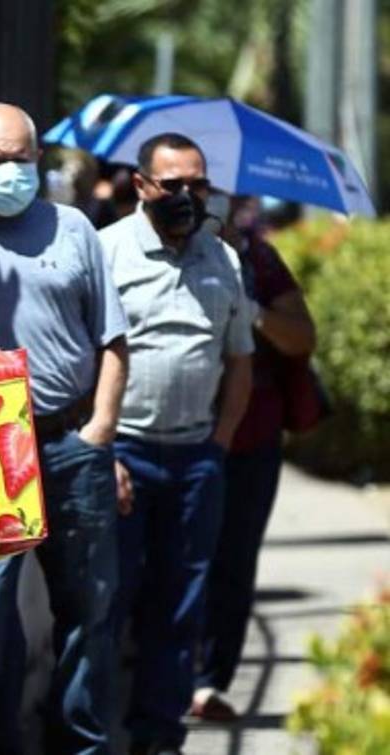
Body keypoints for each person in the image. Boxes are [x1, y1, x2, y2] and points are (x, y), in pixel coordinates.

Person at [0, 102, 130, 755]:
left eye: (22, 158)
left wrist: (101, 431)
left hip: (69, 441)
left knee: (90, 609)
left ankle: (79, 743)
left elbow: (113, 341)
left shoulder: (75, 228)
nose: (12, 172)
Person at [98, 133, 254, 755]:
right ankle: (92, 732)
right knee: (107, 605)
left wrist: (218, 446)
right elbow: (89, 359)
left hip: (195, 460)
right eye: (173, 184)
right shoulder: (105, 252)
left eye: (198, 184)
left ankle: (158, 738)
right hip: (123, 456)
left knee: (178, 607)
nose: (187, 196)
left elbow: (239, 361)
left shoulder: (224, 260)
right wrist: (102, 449)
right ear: (141, 186)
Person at [192, 194, 316, 720]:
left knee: (234, 561)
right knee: (175, 560)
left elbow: (302, 338)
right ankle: (167, 672)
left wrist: (252, 307)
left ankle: (210, 680)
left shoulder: (260, 260)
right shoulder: (152, 255)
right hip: (176, 436)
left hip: (250, 440)